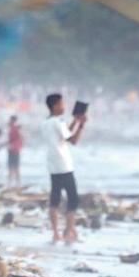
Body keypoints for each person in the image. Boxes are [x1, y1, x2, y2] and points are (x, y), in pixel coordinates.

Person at [41, 94, 87, 243]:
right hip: (64, 164)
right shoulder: (57, 121)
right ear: (54, 106)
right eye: (61, 104)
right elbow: (73, 140)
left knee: (55, 199)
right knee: (72, 198)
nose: (64, 107)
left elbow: (65, 133)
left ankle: (55, 233)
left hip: (53, 164)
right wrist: (81, 125)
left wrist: (75, 120)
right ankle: (69, 230)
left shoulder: (47, 122)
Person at [6, 115, 24, 187]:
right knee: (12, 167)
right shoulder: (12, 128)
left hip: (14, 150)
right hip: (13, 150)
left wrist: (14, 145)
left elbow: (20, 139)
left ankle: (16, 183)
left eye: (10, 120)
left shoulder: (16, 129)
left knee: (14, 167)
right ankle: (12, 183)